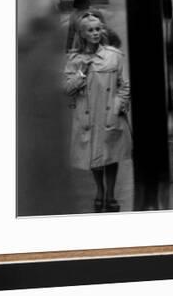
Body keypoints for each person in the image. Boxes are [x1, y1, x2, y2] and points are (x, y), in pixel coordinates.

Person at [63, 13, 131, 213]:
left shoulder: (114, 56)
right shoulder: (75, 59)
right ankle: (99, 191)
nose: (95, 33)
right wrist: (81, 73)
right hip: (87, 115)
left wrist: (118, 106)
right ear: (82, 34)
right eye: (90, 30)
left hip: (109, 111)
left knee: (111, 155)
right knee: (94, 156)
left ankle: (110, 194)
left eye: (98, 29)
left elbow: (124, 85)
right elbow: (67, 89)